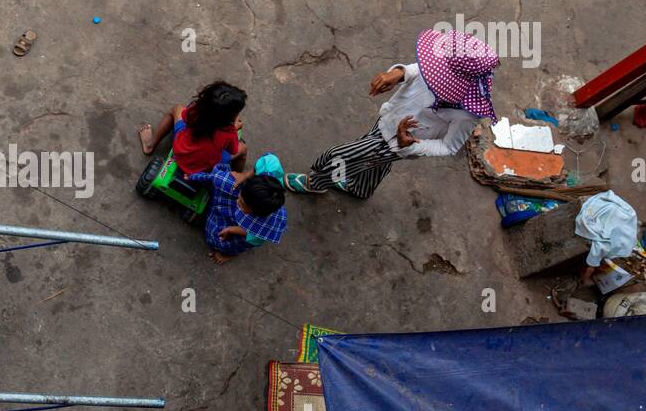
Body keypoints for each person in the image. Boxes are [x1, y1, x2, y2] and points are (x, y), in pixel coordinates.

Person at [282, 30, 499, 200]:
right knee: (372, 165)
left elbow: (448, 146)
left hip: (394, 143)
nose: (433, 72)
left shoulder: (467, 115)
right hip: (388, 117)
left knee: (340, 157)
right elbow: (419, 69)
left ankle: (317, 184)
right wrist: (399, 73)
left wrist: (412, 145)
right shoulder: (438, 69)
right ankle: (361, 189)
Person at [186, 153, 288, 265]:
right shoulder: (271, 168)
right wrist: (245, 175)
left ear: (256, 213)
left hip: (247, 232)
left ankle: (229, 254)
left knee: (224, 240)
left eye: (242, 204)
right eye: (240, 198)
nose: (238, 201)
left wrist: (232, 229)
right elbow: (269, 159)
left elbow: (251, 236)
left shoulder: (262, 228)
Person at [138, 81, 248, 174]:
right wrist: (235, 127)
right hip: (206, 168)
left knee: (177, 109)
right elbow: (232, 150)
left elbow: (185, 117)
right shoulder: (229, 132)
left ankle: (150, 145)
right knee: (243, 149)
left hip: (180, 151)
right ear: (229, 117)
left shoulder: (196, 111)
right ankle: (235, 180)